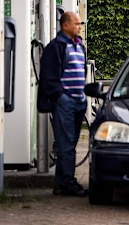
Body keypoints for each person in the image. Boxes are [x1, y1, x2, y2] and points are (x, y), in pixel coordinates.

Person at [37, 11, 88, 197]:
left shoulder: (78, 45)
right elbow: (48, 78)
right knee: (66, 145)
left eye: (80, 23)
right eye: (76, 23)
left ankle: (61, 183)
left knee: (70, 145)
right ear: (65, 25)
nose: (79, 26)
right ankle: (67, 182)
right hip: (65, 103)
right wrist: (61, 96)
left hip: (78, 101)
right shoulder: (56, 47)